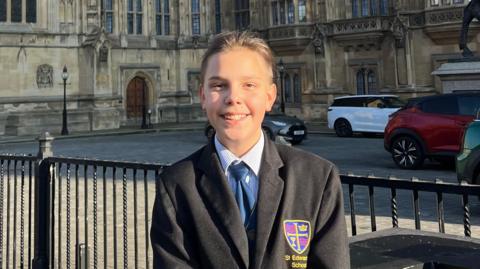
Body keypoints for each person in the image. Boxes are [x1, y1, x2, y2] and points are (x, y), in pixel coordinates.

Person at [150, 31, 350, 269]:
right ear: (202, 96)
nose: (233, 97)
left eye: (249, 85)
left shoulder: (318, 178)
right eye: (219, 85)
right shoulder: (176, 186)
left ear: (270, 96)